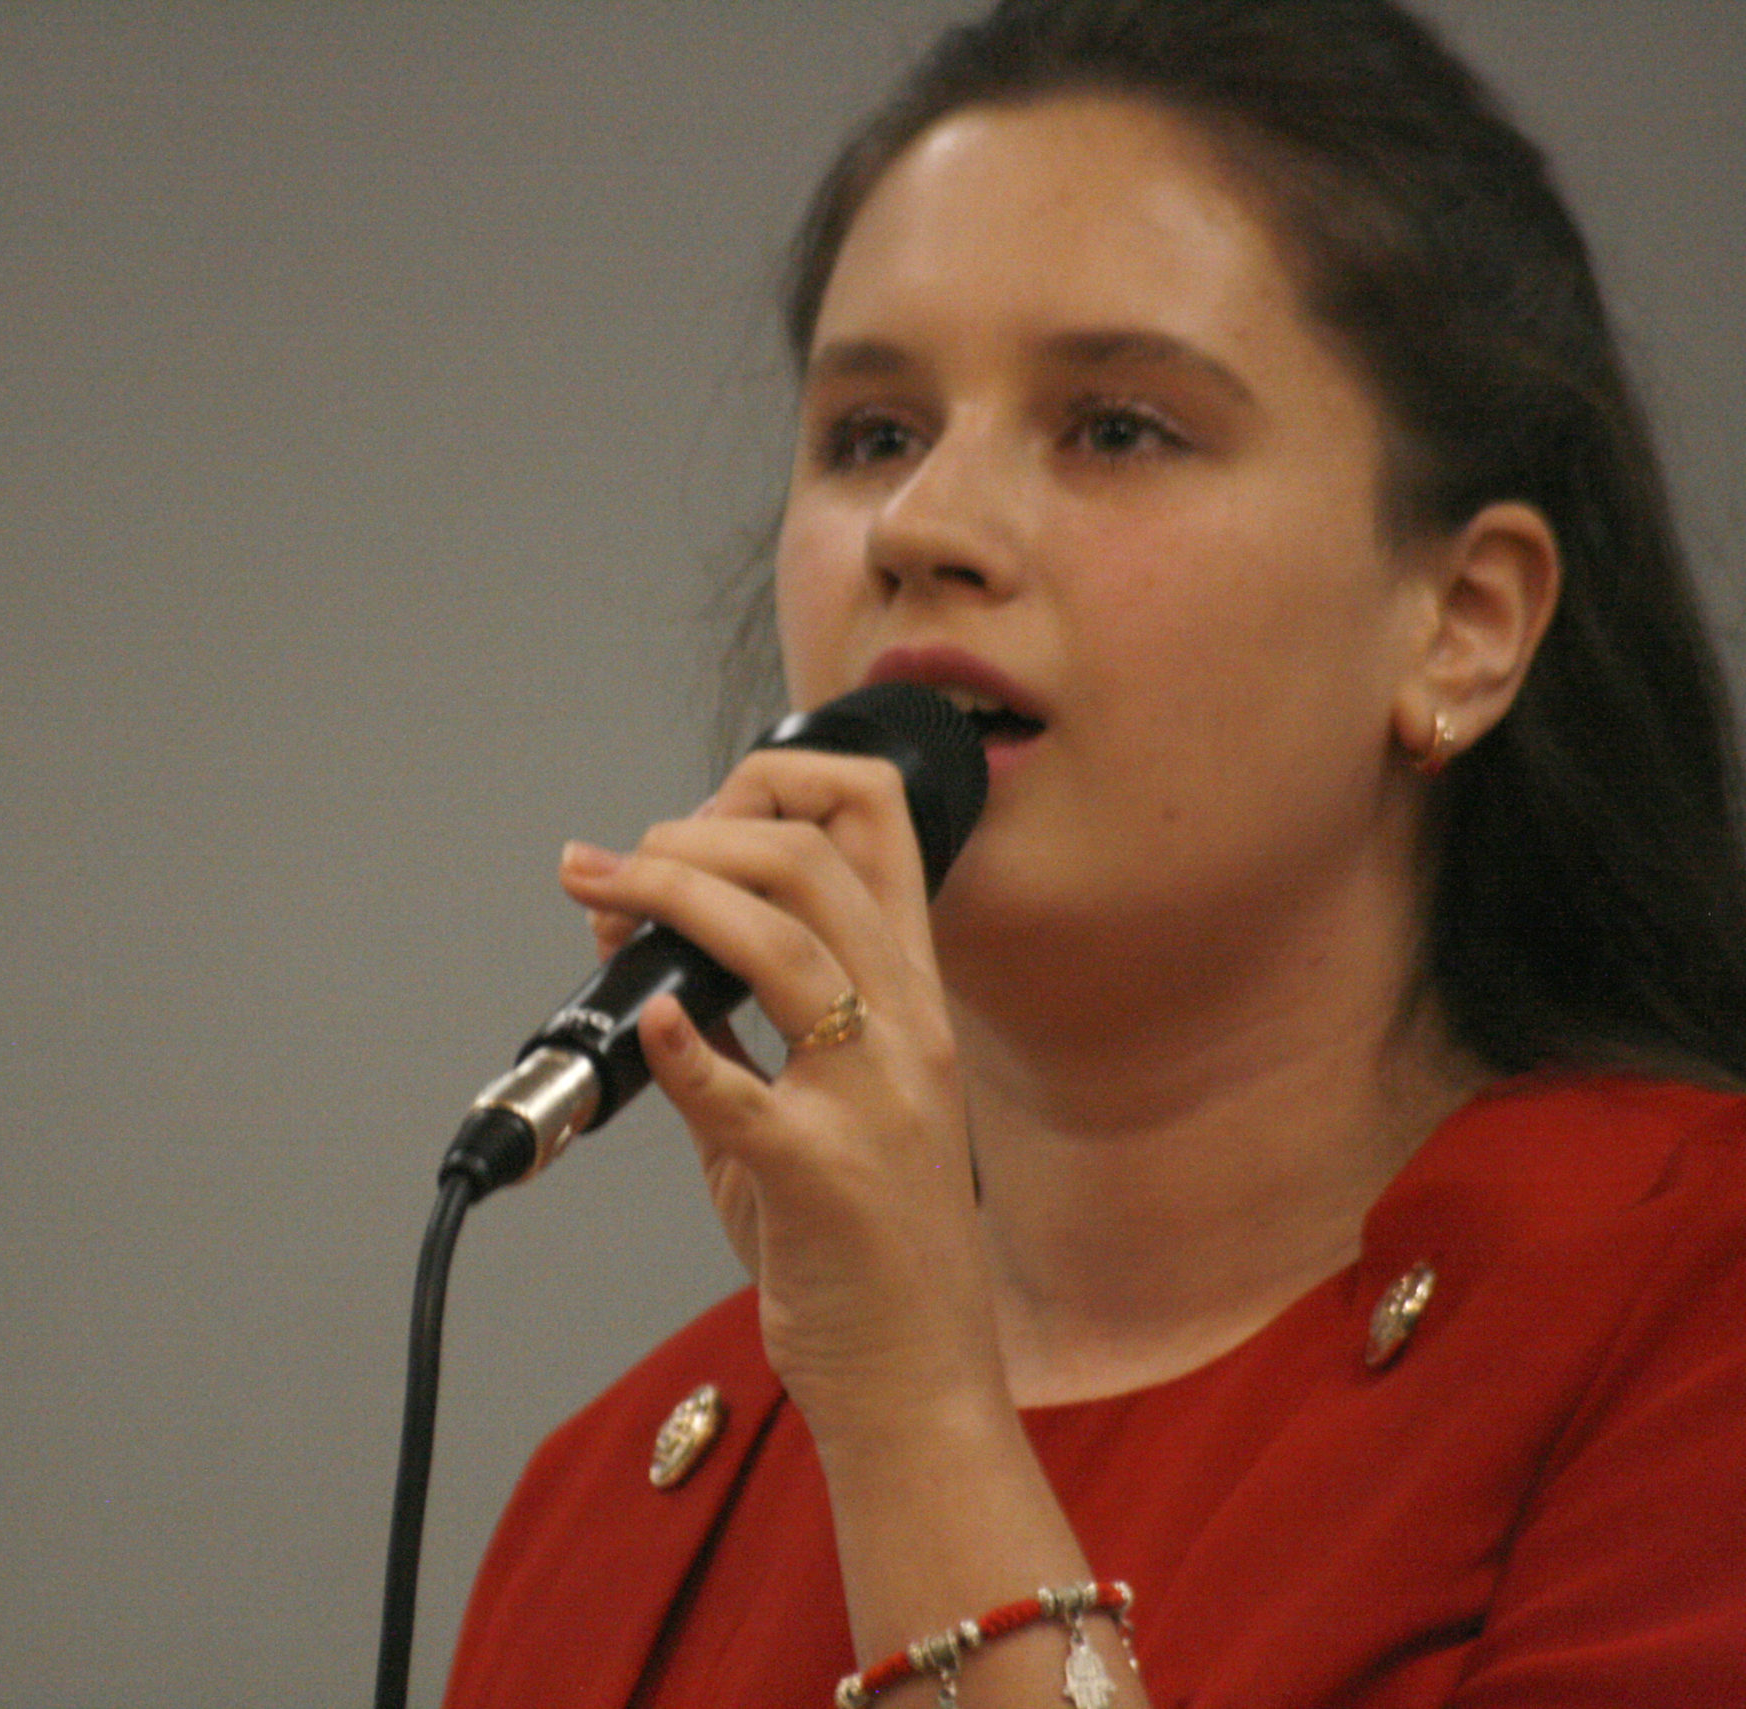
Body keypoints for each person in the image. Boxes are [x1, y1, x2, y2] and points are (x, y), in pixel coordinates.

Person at [440, 1, 1746, 1705]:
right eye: (873, 434)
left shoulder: (1686, 1311)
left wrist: (916, 1411)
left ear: (1465, 623)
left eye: (1116, 427)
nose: (923, 527)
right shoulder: (613, 1501)